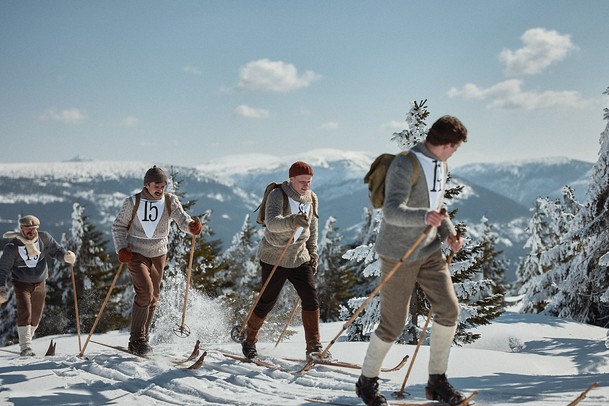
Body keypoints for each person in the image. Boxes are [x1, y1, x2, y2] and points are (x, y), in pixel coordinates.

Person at [356, 116, 468, 406]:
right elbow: (391, 211)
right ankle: (366, 381)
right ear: (445, 144)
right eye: (454, 148)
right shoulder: (406, 164)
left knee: (449, 310)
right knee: (393, 324)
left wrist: (449, 234)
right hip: (398, 253)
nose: (454, 153)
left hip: (429, 250)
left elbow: (437, 209)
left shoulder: (441, 165)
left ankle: (437, 382)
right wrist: (423, 217)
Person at [112, 165, 202, 356]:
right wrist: (121, 249)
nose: (160, 190)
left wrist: (191, 226)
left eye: (163, 186)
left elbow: (182, 220)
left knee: (153, 298)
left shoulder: (170, 200)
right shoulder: (133, 202)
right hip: (136, 253)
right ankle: (136, 340)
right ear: (147, 185)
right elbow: (119, 226)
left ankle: (144, 337)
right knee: (145, 292)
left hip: (159, 253)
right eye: (157, 186)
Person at [242, 161, 326, 360]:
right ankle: (249, 339)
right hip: (274, 255)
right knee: (267, 300)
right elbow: (271, 223)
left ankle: (314, 347)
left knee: (310, 298)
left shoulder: (311, 197)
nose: (306, 185)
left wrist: (313, 253)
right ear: (291, 179)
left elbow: (312, 228)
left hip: (299, 255)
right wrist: (292, 221)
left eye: (309, 181)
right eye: (302, 181)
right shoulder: (278, 195)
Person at [0, 215, 76, 356]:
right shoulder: (12, 247)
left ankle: (27, 338)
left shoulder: (43, 238)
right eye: (28, 230)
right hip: (21, 284)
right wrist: (1, 289)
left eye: (34, 229)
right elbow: (2, 270)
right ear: (21, 228)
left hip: (40, 282)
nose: (31, 232)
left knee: (36, 315)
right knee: (25, 311)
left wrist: (66, 256)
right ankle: (26, 347)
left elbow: (57, 251)